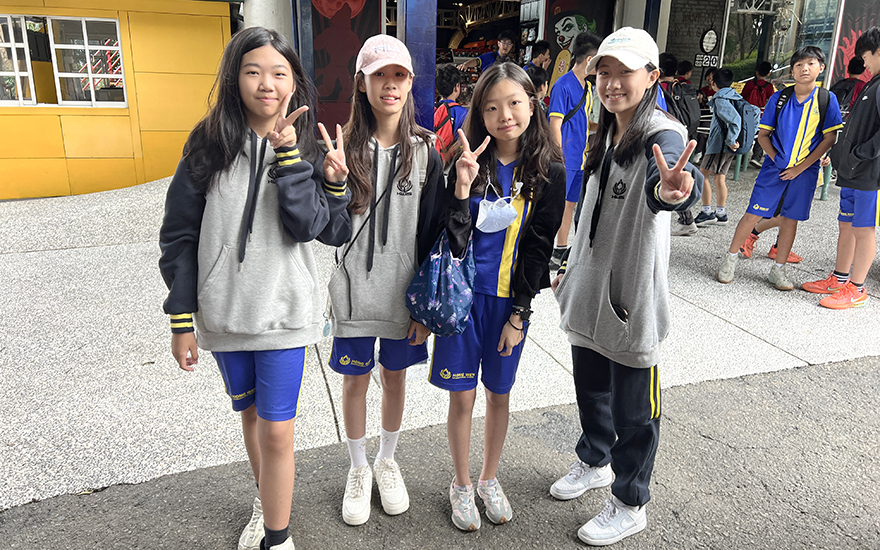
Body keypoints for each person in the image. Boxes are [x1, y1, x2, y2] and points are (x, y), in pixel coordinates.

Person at [158, 27, 351, 550]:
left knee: (278, 429)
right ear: (234, 77)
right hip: (225, 313)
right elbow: (179, 235)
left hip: (286, 312)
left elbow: (319, 229)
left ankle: (277, 536)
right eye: (253, 71)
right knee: (250, 417)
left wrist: (306, 168)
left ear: (294, 82)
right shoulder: (208, 145)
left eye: (279, 73)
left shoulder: (308, 143)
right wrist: (180, 319)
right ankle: (266, 502)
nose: (267, 83)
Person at [550, 27, 701, 546]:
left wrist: (676, 190)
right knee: (591, 390)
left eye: (625, 73)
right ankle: (593, 460)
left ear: (652, 77)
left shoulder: (662, 133)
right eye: (604, 73)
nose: (612, 83)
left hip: (631, 299)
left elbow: (672, 181)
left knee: (636, 412)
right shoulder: (607, 132)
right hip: (589, 293)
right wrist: (568, 267)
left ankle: (630, 502)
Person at [431, 61, 565, 531]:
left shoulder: (548, 171)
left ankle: (489, 478)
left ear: (532, 103)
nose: (504, 115)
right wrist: (461, 187)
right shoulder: (465, 160)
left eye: (513, 103)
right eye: (491, 107)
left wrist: (519, 315)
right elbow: (448, 235)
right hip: (463, 303)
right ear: (479, 113)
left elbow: (540, 248)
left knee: (499, 395)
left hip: (508, 305)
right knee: (462, 397)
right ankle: (462, 483)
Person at [327, 34, 446, 526]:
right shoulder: (343, 149)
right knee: (355, 380)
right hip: (355, 296)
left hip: (403, 298)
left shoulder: (426, 153)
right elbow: (329, 228)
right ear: (362, 83)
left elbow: (434, 231)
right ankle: (358, 467)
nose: (390, 85)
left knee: (394, 379)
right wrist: (332, 182)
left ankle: (386, 460)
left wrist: (425, 309)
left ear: (410, 82)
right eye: (380, 75)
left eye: (399, 75)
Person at [717, 46, 843, 290]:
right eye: (798, 65)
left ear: (821, 68)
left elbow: (830, 139)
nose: (804, 68)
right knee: (753, 212)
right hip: (774, 169)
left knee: (790, 220)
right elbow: (763, 135)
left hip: (805, 173)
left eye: (810, 63)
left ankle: (779, 269)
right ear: (792, 71)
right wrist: (776, 159)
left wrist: (801, 167)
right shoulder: (780, 98)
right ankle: (730, 259)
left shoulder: (827, 100)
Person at [804, 27, 880, 308]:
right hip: (853, 171)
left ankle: (857, 289)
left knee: (864, 228)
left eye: (866, 57)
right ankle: (839, 278)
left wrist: (859, 154)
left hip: (869, 174)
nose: (864, 64)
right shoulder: (873, 84)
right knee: (846, 224)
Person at [547, 30, 603, 270]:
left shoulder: (588, 88)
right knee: (556, 206)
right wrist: (559, 157)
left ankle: (560, 249)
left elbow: (584, 121)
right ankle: (547, 248)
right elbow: (555, 124)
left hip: (581, 159)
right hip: (565, 159)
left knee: (570, 205)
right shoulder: (562, 85)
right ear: (589, 59)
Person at [695, 68, 743, 227]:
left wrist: (730, 140)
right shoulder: (733, 96)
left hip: (719, 144)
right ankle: (721, 213)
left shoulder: (721, 99)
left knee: (702, 175)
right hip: (727, 146)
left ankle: (707, 212)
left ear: (714, 82)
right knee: (719, 177)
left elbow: (735, 120)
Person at [660, 54, 698, 236]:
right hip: (681, 136)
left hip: (664, 138)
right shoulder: (682, 87)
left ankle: (687, 220)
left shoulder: (658, 89)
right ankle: (686, 220)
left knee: (669, 178)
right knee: (675, 176)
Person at [435, 64, 470, 162]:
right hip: (449, 164)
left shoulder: (432, 109)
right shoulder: (463, 113)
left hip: (430, 161)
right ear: (456, 87)